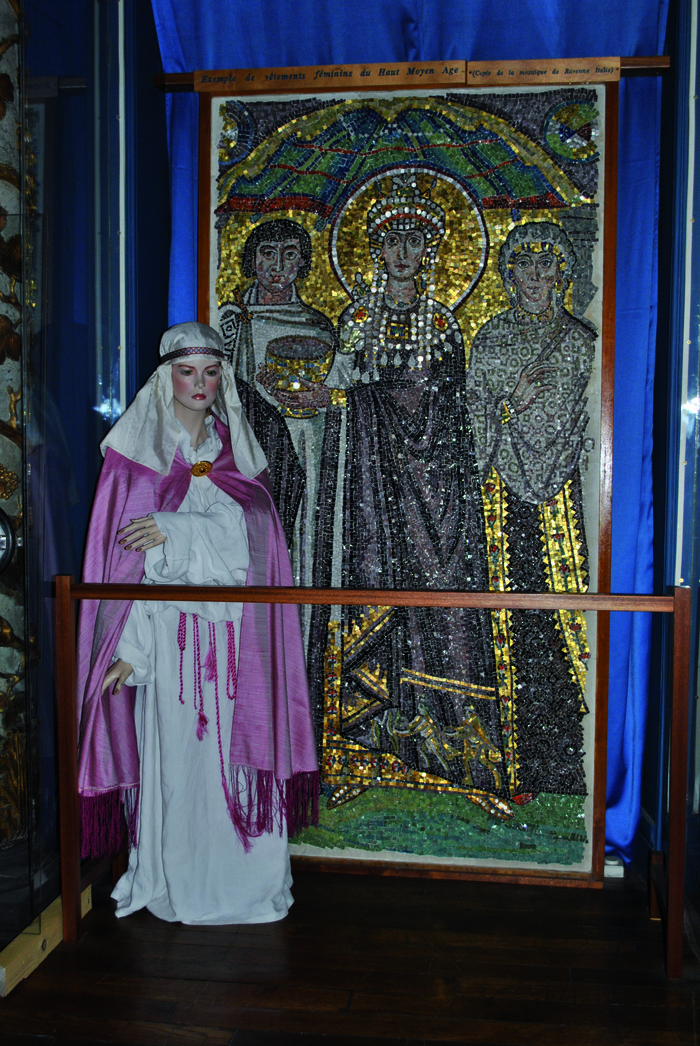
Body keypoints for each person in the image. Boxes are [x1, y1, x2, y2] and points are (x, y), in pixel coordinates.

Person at [76, 321, 318, 925]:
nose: (201, 384)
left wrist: (176, 530)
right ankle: (175, 879)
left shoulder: (239, 457)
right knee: (178, 768)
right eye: (188, 371)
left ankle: (247, 884)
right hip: (167, 639)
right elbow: (121, 568)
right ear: (167, 377)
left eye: (212, 372)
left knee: (235, 761)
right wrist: (130, 650)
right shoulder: (134, 464)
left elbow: (258, 544)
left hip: (237, 637)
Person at [304, 174, 508, 817]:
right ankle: (368, 739)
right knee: (372, 583)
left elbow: (452, 410)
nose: (401, 253)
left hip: (436, 491)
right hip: (373, 489)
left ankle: (454, 746)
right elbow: (340, 396)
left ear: (429, 253)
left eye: (413, 243)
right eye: (391, 241)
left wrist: (364, 400)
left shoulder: (443, 324)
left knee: (443, 596)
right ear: (375, 250)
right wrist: (339, 400)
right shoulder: (357, 319)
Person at [465, 221, 596, 797]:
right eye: (525, 263)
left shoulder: (581, 342)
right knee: (514, 623)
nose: (537, 276)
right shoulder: (490, 339)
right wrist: (508, 406)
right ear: (509, 271)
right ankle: (517, 765)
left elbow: (592, 421)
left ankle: (573, 763)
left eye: (548, 264)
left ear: (563, 272)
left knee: (565, 615)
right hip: (504, 497)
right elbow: (472, 423)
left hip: (564, 500)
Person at [221, 219, 337, 642]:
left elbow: (333, 392)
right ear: (252, 259)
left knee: (301, 535)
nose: (277, 265)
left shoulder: (318, 325)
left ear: (303, 264)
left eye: (290, 254)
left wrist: (321, 398)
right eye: (267, 253)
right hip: (255, 449)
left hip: (307, 446)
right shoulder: (234, 321)